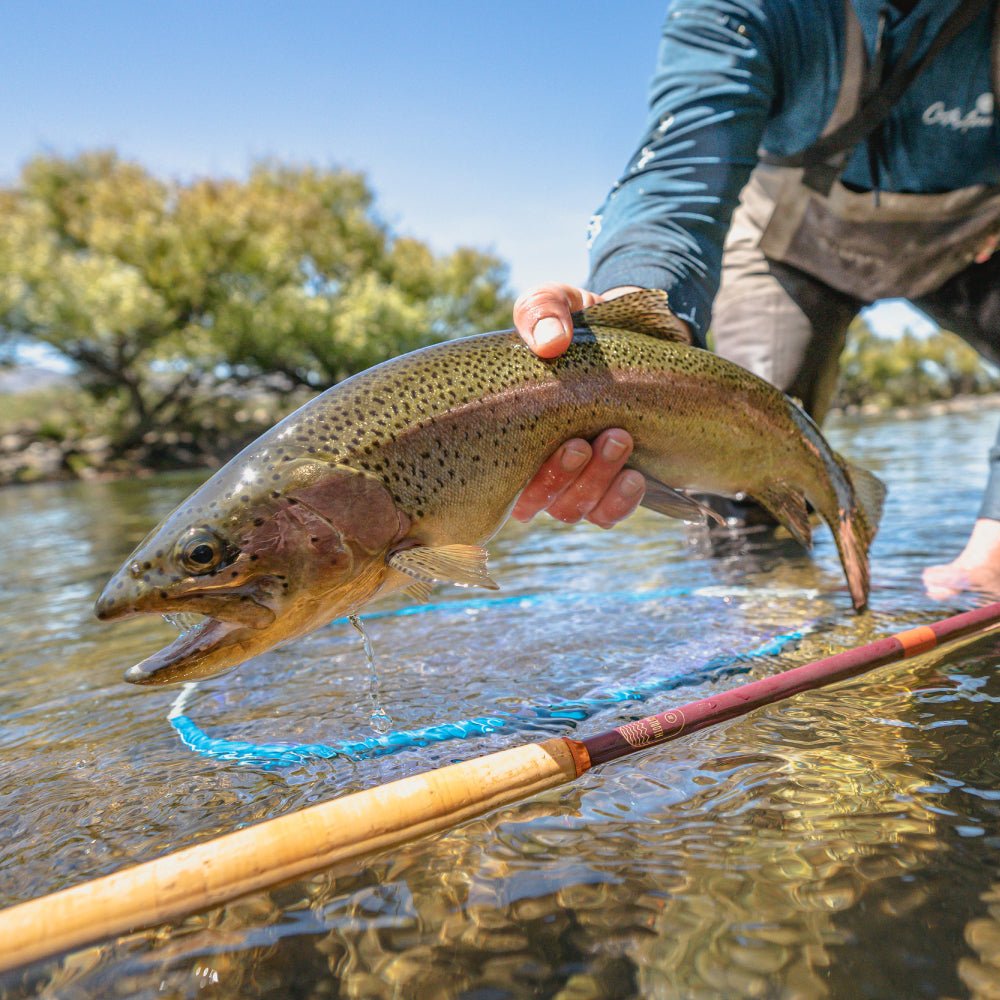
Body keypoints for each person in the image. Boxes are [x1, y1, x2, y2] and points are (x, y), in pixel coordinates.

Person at [509, 0, 1000, 600]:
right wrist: (639, 316)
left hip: (970, 249)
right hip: (788, 249)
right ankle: (773, 612)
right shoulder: (740, 9)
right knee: (737, 480)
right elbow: (681, 173)